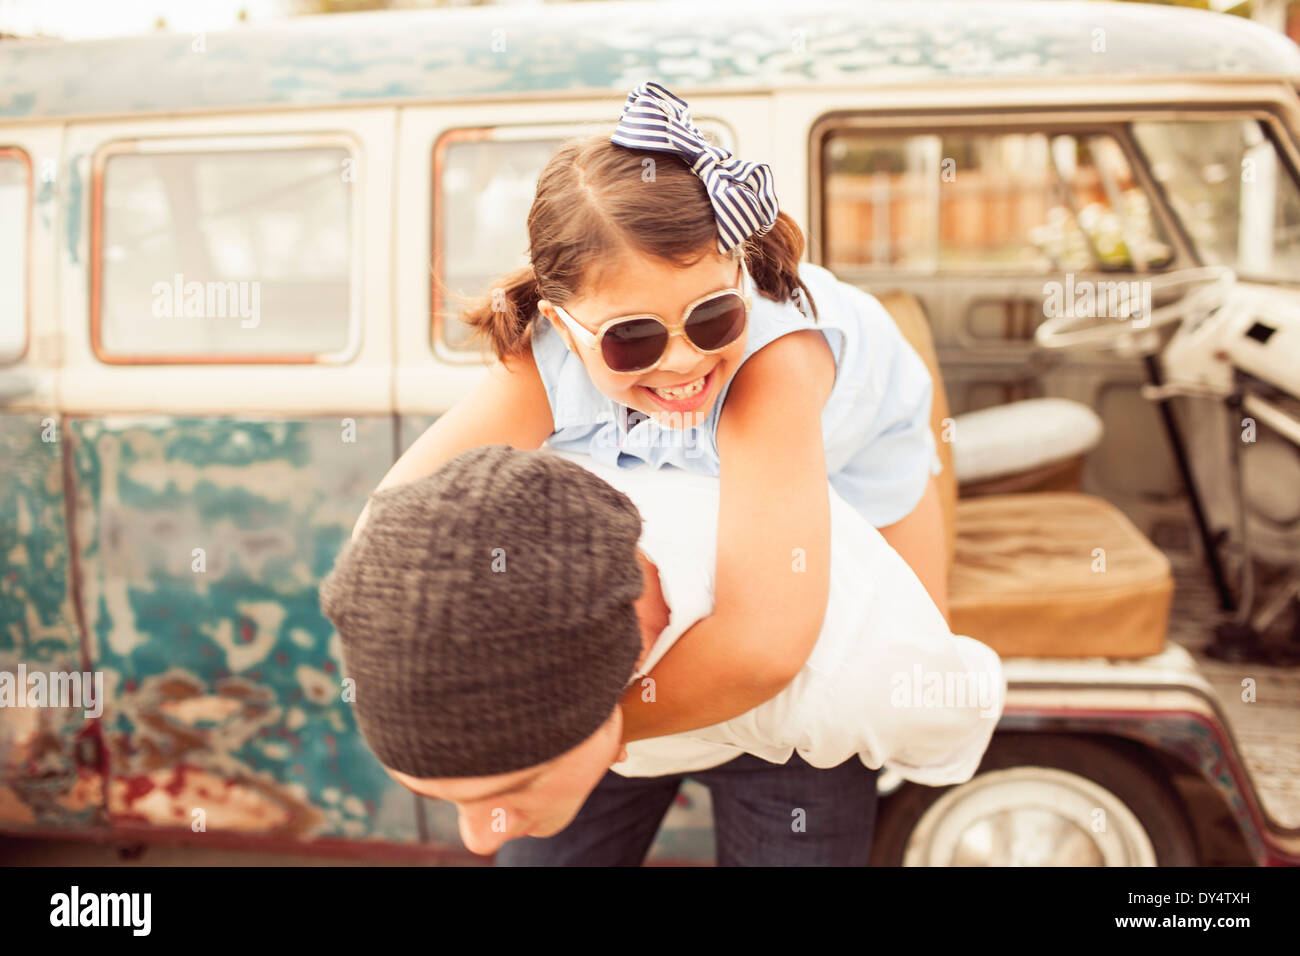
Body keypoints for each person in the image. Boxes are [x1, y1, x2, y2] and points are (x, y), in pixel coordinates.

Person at [351, 80, 946, 863]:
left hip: (815, 598)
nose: (686, 361)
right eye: (633, 340)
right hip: (646, 629)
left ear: (739, 280)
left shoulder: (774, 364)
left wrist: (564, 734)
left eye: (712, 317)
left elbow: (768, 644)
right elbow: (390, 533)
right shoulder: (543, 357)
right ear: (561, 324)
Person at [321, 445, 1003, 865]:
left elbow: (957, 702)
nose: (477, 840)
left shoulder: (844, 674)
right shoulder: (405, 554)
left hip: (788, 748)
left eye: (503, 792)